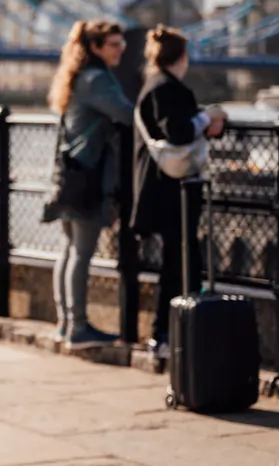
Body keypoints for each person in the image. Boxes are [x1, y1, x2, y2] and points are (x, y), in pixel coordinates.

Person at [131, 25, 226, 359]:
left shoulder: (153, 86)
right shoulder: (168, 89)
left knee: (179, 259)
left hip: (161, 187)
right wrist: (206, 117)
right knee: (180, 260)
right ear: (182, 57)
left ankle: (171, 333)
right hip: (174, 191)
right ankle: (170, 334)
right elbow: (179, 132)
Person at [45, 19, 134, 349]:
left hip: (70, 174)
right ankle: (78, 327)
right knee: (81, 252)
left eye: (121, 43)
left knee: (69, 250)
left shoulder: (79, 75)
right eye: (114, 44)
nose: (121, 49)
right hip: (89, 176)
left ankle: (65, 324)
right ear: (95, 47)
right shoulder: (97, 79)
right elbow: (127, 114)